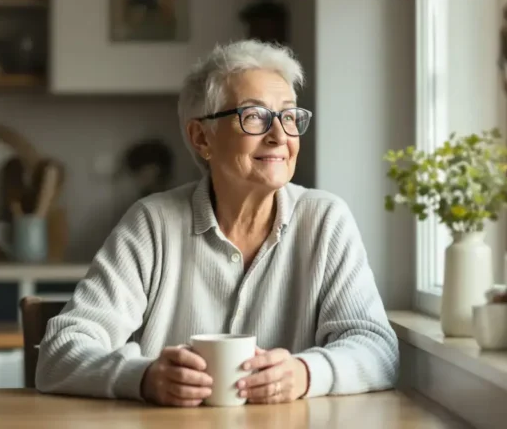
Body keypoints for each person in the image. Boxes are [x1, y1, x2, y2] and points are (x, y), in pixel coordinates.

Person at [36, 39, 399, 406]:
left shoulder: (325, 220)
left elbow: (378, 350)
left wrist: (306, 374)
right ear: (201, 137)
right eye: (255, 116)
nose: (279, 136)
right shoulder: (152, 224)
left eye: (288, 116)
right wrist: (143, 377)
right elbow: (59, 353)